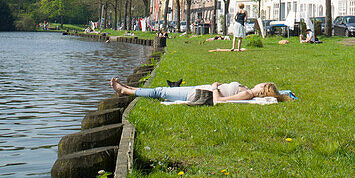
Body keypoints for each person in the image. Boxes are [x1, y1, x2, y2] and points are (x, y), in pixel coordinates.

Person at [111, 78, 288, 103]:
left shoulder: (247, 94)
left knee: (161, 92)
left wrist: (214, 88)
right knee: (161, 89)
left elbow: (218, 101)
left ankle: (125, 91)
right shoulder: (247, 90)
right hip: (198, 89)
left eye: (261, 84)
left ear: (262, 90)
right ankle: (128, 88)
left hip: (197, 94)